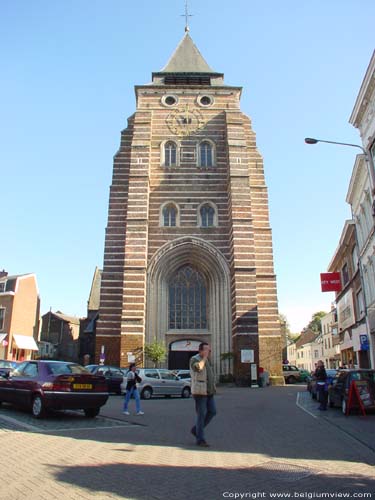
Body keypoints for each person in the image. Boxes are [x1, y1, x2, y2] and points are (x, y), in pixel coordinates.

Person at [189, 342, 217, 447]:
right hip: (200, 392)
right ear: (200, 350)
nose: (208, 352)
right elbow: (198, 368)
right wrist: (204, 358)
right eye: (206, 350)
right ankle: (200, 439)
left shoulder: (207, 360)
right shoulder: (194, 359)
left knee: (213, 411)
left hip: (209, 392)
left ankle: (196, 429)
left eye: (209, 350)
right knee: (201, 415)